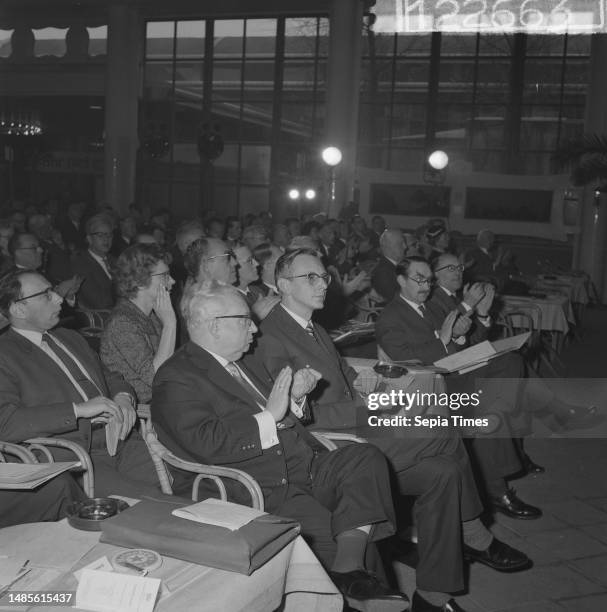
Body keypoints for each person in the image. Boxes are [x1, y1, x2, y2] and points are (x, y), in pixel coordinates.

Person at [253, 249, 531, 612]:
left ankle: (433, 596)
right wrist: (368, 408)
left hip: (358, 423)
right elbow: (297, 416)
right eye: (311, 278)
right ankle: (476, 534)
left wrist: (375, 387)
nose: (323, 284)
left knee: (444, 472)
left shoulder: (313, 326)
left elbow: (346, 376)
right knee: (442, 428)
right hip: (334, 447)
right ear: (283, 284)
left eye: (324, 276)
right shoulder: (271, 335)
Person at [151, 282, 407, 610]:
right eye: (245, 320)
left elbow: (277, 411)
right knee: (351, 531)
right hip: (256, 485)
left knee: (366, 458)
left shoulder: (241, 361)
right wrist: (270, 415)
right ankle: (358, 583)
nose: (255, 328)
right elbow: (206, 442)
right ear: (215, 325)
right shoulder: (177, 377)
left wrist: (295, 398)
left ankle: (348, 570)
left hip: (302, 464)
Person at [375, 257, 544, 521]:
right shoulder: (390, 316)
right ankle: (497, 489)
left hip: (452, 377)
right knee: (495, 401)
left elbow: (457, 345)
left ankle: (496, 485)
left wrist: (462, 332)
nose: (426, 285)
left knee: (509, 363)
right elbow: (403, 361)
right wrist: (444, 339)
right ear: (400, 280)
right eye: (419, 279)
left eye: (429, 280)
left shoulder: (427, 307)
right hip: (427, 390)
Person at [0, 269, 159, 497]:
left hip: (124, 440)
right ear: (19, 309)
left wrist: (123, 397)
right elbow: (5, 423)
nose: (59, 298)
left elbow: (110, 377)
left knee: (182, 493)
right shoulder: (5, 355)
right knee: (151, 508)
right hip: (79, 455)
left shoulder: (69, 337)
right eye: (46, 294)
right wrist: (78, 410)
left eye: (53, 290)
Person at [100, 244, 176, 403]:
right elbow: (156, 378)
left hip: (166, 400)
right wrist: (170, 324)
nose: (173, 281)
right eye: (165, 276)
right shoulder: (121, 323)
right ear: (140, 281)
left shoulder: (151, 314)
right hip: (146, 410)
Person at [71, 214, 115, 310]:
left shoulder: (115, 260)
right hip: (101, 318)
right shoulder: (80, 263)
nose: (106, 239)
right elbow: (99, 302)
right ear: (89, 239)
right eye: (100, 235)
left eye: (109, 235)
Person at [371, 229, 406, 302]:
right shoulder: (382, 272)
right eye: (401, 243)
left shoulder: (396, 266)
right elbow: (395, 301)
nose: (405, 247)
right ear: (388, 247)